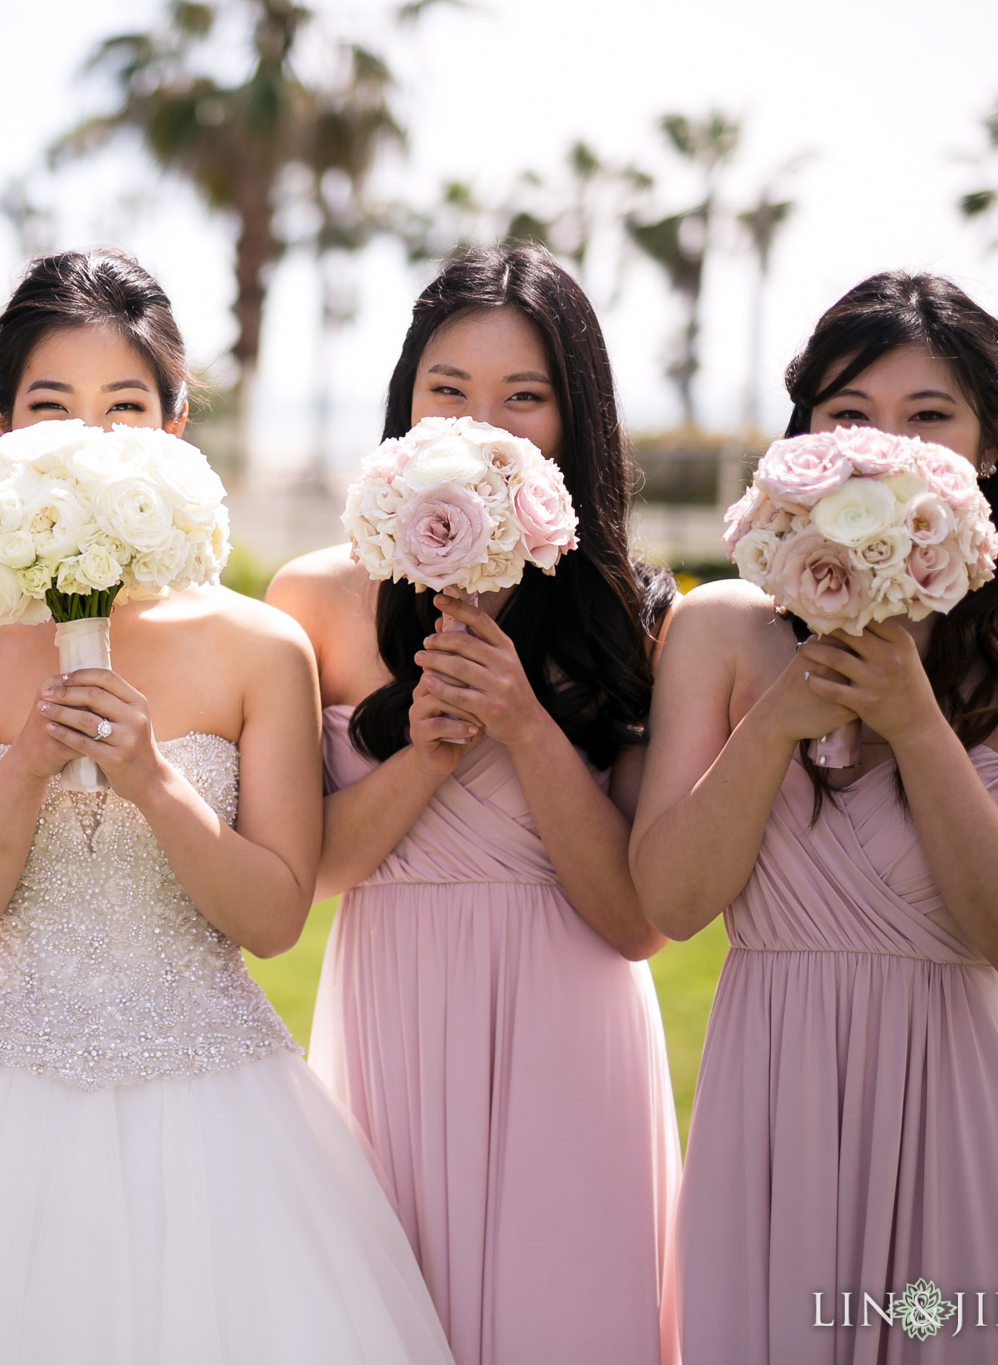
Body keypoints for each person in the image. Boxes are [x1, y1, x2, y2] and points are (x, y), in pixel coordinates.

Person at [0, 248, 453, 1365]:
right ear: (2, 422)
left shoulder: (259, 648)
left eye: (124, 409)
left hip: (220, 1107)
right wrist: (23, 764)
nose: (87, 440)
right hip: (3, 1108)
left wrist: (152, 777)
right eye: (51, 406)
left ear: (175, 424)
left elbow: (272, 919)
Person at [630, 271, 998, 1362]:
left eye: (926, 417)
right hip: (772, 1112)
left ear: (987, 448)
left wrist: (916, 724)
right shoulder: (717, 632)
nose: (882, 448)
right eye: (848, 415)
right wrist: (775, 721)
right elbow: (668, 900)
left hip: (959, 1107)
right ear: (802, 441)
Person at [268, 242, 680, 1365]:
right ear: (403, 403)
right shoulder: (312, 597)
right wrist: (429, 751)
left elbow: (636, 917)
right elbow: (313, 873)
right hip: (391, 1010)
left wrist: (520, 719)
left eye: (523, 397)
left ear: (572, 420)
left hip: (570, 1025)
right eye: (447, 391)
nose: (482, 424)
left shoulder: (632, 614)